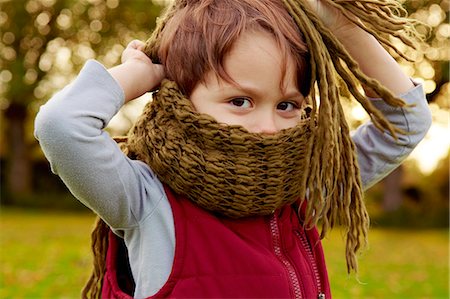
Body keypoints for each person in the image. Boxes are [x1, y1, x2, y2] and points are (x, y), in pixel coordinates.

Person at [34, 0, 431, 298]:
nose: (266, 127)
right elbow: (62, 126)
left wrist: (334, 19)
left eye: (286, 105)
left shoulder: (302, 190)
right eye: (240, 101)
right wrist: (140, 74)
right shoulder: (146, 200)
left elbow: (405, 123)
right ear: (180, 97)